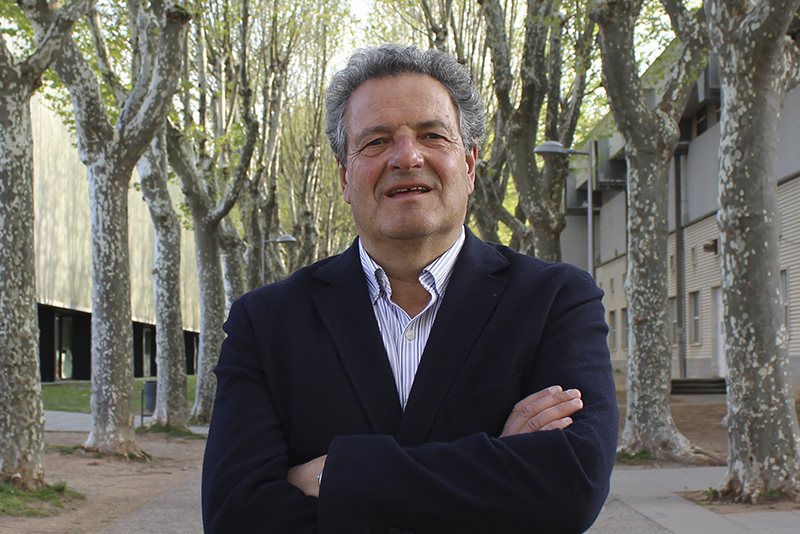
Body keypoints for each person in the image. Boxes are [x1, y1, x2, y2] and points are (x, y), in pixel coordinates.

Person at [202, 44, 618, 534]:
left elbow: (571, 485)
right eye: (377, 141)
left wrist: (341, 475)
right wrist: (499, 465)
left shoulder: (555, 301)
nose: (406, 156)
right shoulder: (265, 323)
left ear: (469, 165)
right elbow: (236, 516)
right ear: (344, 177)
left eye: (432, 135)